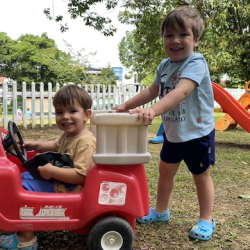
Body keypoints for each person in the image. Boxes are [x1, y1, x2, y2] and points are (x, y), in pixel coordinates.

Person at [113, 6, 216, 241]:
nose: (175, 40)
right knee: (165, 171)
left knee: (201, 176)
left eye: (183, 35)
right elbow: (152, 90)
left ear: (196, 40)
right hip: (173, 133)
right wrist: (126, 106)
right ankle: (161, 211)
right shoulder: (164, 65)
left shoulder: (196, 63)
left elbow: (180, 92)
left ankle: (206, 219)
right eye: (169, 35)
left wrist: (153, 110)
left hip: (197, 132)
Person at [0, 84, 96, 250]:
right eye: (60, 112)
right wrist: (34, 145)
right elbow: (55, 145)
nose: (65, 117)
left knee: (20, 188)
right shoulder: (70, 135)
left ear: (87, 115)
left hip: (68, 187)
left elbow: (82, 176)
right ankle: (33, 224)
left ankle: (26, 239)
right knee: (21, 178)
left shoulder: (85, 142)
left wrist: (51, 171)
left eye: (72, 111)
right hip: (60, 180)